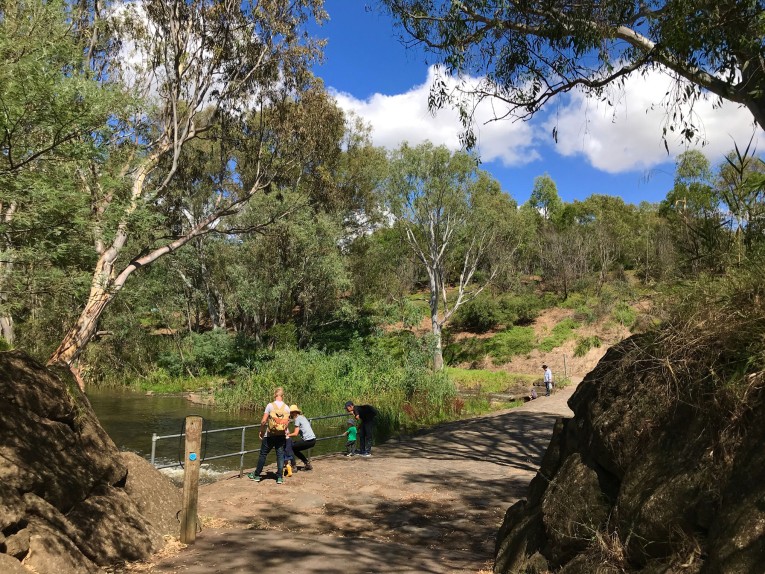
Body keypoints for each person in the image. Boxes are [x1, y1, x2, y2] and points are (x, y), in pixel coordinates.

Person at [248, 387, 290, 484]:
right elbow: (286, 423)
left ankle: (257, 475)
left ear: (274, 395)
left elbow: (263, 421)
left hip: (270, 434)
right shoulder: (287, 408)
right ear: (282, 396)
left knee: (263, 454)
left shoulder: (270, 406)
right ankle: (279, 477)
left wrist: (261, 431)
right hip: (281, 435)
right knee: (280, 455)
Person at [286, 404, 316, 471]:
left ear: (293, 413)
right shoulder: (302, 417)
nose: (290, 414)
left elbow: (295, 433)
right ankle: (307, 464)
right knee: (295, 449)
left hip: (307, 440)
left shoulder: (297, 419)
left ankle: (294, 467)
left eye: (290, 413)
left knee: (291, 447)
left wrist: (287, 435)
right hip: (313, 440)